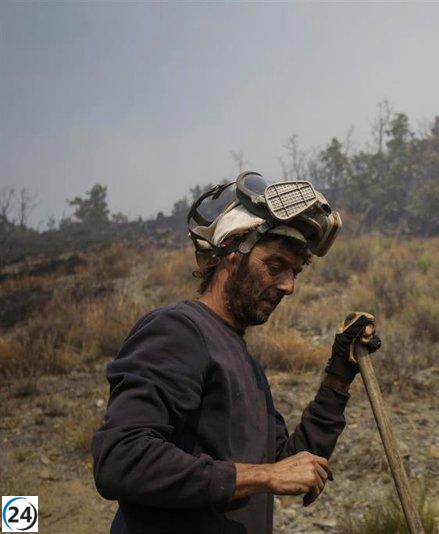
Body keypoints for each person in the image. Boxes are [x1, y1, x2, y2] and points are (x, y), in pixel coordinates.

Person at [92, 172, 381, 533]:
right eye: (275, 266)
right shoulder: (179, 330)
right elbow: (121, 459)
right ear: (231, 251)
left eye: (295, 272)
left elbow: (289, 463)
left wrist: (339, 375)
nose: (289, 286)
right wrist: (264, 476)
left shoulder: (247, 365)